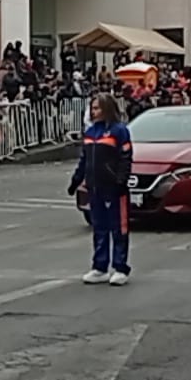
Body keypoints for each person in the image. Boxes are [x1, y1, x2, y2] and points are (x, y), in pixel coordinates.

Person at [67, 93, 133, 286]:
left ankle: (120, 267)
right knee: (99, 228)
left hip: (114, 188)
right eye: (92, 108)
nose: (94, 112)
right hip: (95, 187)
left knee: (118, 229)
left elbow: (125, 158)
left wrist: (121, 181)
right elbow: (84, 160)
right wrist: (76, 180)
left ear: (107, 108)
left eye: (97, 108)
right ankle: (100, 267)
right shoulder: (90, 133)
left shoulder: (119, 131)